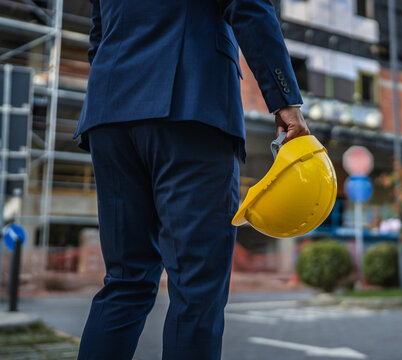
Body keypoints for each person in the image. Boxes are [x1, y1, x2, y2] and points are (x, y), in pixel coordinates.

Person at [73, 0, 309, 359]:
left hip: (111, 111)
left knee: (125, 281)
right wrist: (285, 100)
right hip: (191, 103)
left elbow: (98, 34)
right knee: (197, 288)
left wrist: (118, 89)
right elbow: (247, 4)